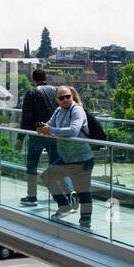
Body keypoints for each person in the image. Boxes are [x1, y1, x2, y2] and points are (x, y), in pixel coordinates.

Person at [37, 86, 95, 227]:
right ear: (57, 100)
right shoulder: (58, 111)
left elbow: (73, 131)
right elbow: (50, 125)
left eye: (67, 96)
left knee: (83, 192)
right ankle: (64, 205)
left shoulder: (77, 110)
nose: (65, 100)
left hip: (82, 159)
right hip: (67, 159)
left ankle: (85, 223)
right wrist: (42, 127)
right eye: (61, 98)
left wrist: (51, 130)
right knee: (47, 176)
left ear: (72, 96)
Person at [18, 70, 59, 205]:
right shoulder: (56, 91)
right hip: (54, 133)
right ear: (45, 78)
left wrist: (20, 138)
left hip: (38, 134)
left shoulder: (32, 93)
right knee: (54, 165)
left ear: (33, 79)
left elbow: (26, 117)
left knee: (32, 165)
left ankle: (32, 196)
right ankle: (58, 195)